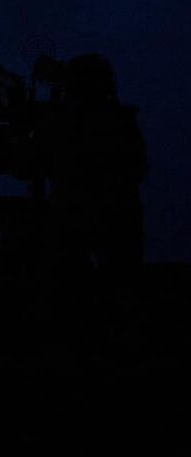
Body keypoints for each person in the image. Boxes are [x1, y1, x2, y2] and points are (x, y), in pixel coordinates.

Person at [38, 53, 148, 357]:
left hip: (78, 217)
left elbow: (39, 162)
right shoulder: (121, 120)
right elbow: (139, 167)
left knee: (75, 290)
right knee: (117, 290)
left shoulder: (63, 121)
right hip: (116, 216)